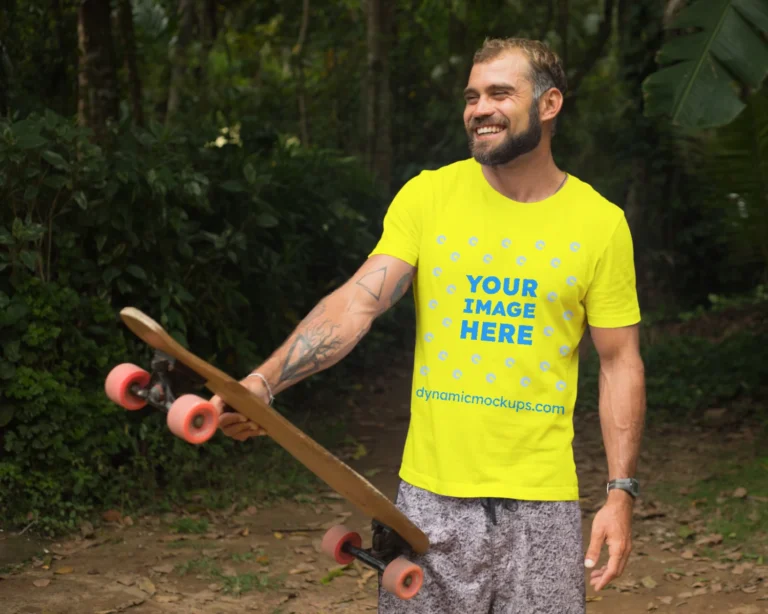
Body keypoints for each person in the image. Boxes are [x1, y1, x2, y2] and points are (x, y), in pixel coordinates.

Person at [212, 37, 646, 614]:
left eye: (499, 93)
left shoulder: (601, 224)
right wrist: (264, 384)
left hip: (543, 505)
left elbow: (619, 361)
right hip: (431, 502)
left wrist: (620, 493)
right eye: (471, 96)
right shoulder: (430, 197)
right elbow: (357, 304)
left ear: (549, 105)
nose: (479, 108)